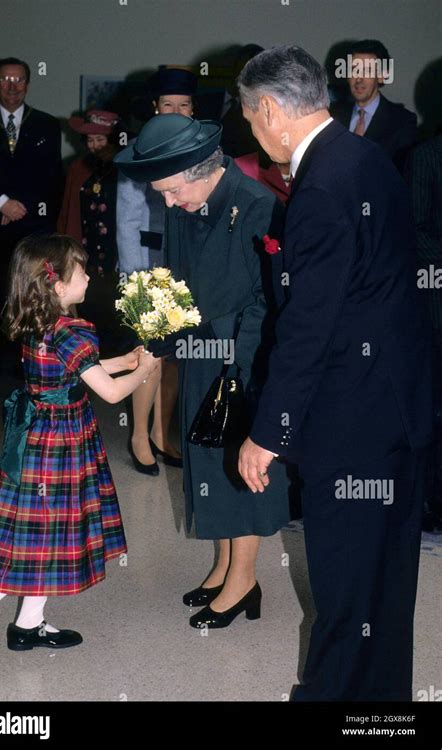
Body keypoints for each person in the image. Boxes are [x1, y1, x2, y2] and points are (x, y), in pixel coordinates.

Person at [237, 45, 432, 701]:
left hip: (352, 417)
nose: (251, 130)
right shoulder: (364, 157)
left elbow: (308, 328)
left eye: (248, 115)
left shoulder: (320, 184)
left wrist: (269, 433)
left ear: (269, 109)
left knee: (347, 586)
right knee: (385, 578)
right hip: (398, 404)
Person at [115, 114, 290, 629]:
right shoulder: (184, 202)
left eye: (170, 191)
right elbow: (178, 280)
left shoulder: (259, 206)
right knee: (206, 463)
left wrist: (238, 361)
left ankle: (245, 579)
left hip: (243, 357)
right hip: (197, 351)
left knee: (242, 469)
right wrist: (158, 333)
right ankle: (224, 566)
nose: (166, 203)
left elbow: (271, 300)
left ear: (200, 168)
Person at [0, 234, 159, 685]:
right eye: (82, 271)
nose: (90, 276)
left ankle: (28, 625)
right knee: (24, 550)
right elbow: (109, 392)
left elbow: (77, 369)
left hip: (43, 440)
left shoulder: (42, 322)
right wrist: (143, 370)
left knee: (45, 538)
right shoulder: (71, 330)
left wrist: (122, 359)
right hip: (57, 448)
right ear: (57, 286)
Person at [116, 68, 197, 475]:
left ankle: (164, 433)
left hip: (189, 265)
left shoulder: (203, 147)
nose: (176, 111)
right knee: (148, 354)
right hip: (148, 267)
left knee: (177, 357)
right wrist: (134, 279)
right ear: (155, 107)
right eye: (169, 105)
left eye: (184, 105)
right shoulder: (137, 150)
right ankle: (138, 435)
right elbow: (127, 220)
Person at [0, 57, 63, 380]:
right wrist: (0, 203)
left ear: (28, 84)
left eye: (19, 80)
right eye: (6, 80)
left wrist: (21, 207)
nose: (12, 86)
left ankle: (24, 363)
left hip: (31, 228)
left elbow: (52, 178)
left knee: (28, 294)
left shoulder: (47, 125)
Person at [58, 110, 123, 355]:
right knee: (88, 307)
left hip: (115, 254)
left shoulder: (122, 166)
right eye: (90, 140)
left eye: (100, 139)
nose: (94, 146)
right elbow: (67, 209)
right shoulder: (78, 166)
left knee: (116, 310)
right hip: (85, 252)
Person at [406, 132, 442, 533]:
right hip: (434, 310)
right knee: (433, 411)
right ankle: (430, 499)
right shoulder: (425, 157)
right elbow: (412, 233)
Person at [330, 39, 417, 172]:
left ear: (381, 76)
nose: (359, 79)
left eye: (367, 71)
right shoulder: (333, 115)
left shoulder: (402, 121)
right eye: (354, 70)